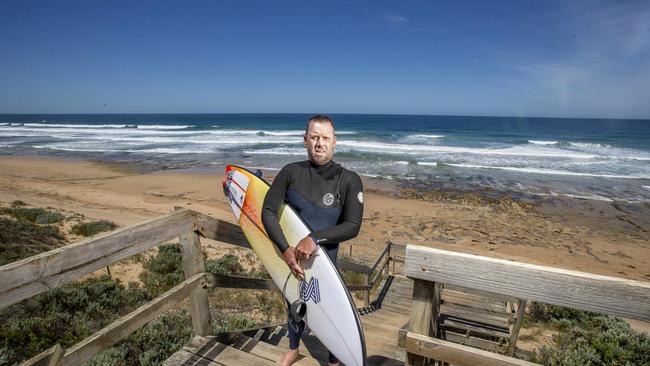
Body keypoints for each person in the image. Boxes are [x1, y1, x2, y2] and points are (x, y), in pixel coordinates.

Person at [261, 114, 364, 366]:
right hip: (293, 259)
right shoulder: (290, 173)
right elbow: (267, 211)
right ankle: (294, 349)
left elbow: (352, 226)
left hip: (327, 264)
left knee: (330, 313)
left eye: (325, 138)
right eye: (314, 137)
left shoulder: (348, 180)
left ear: (335, 142)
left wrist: (314, 239)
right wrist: (285, 250)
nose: (320, 143)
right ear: (305, 141)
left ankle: (333, 360)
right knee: (294, 303)